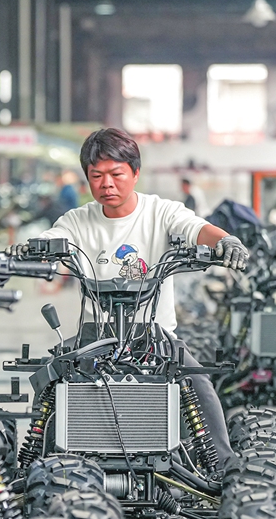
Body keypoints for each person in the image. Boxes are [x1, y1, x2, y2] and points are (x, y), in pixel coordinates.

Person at [13, 127, 248, 466]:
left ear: (135, 173)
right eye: (97, 176)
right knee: (53, 383)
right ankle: (45, 468)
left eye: (116, 174)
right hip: (94, 335)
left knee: (196, 383)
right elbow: (52, 239)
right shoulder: (77, 221)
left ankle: (221, 468)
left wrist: (226, 241)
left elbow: (195, 228)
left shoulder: (161, 212)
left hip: (154, 335)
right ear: (87, 179)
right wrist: (30, 251)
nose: (106, 184)